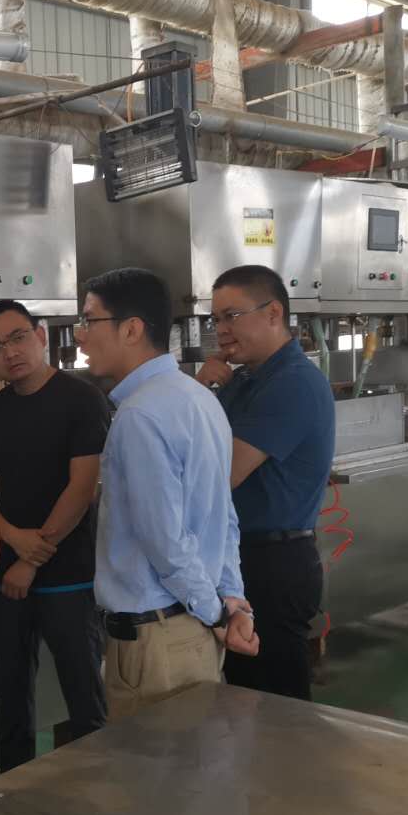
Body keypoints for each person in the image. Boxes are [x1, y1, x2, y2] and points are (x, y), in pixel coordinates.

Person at [74, 267, 258, 718]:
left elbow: (166, 542)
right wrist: (232, 600)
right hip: (192, 631)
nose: (79, 335)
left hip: (158, 641)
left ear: (131, 329)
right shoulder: (199, 399)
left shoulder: (140, 415)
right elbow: (223, 517)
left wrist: (217, 613)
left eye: (89, 320)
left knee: (154, 763)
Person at [0, 300, 109, 772]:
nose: (9, 353)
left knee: (83, 690)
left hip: (69, 577)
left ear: (41, 335)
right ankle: (11, 786)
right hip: (8, 576)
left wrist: (31, 560)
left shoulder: (82, 399)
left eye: (17, 338)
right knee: (10, 689)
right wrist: (13, 541)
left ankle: (96, 784)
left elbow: (83, 488)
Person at [196, 265, 335, 700]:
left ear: (274, 312)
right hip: (239, 557)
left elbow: (221, 474)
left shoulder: (293, 383)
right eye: (215, 319)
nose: (221, 330)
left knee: (275, 702)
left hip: (273, 564)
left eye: (231, 316)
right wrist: (200, 391)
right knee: (244, 697)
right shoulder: (242, 380)